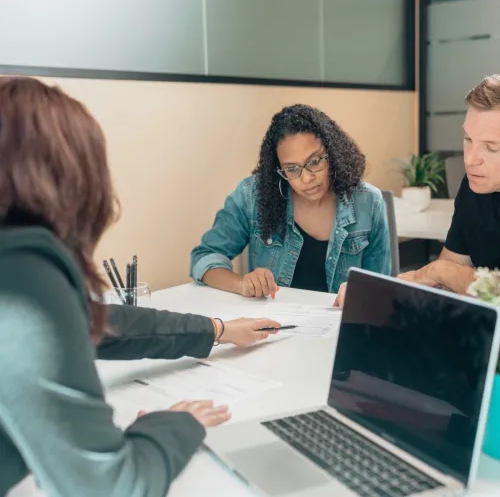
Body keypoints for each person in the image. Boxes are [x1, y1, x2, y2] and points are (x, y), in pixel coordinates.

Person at [0, 77, 280, 497]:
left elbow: (96, 320)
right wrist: (174, 423)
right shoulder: (21, 270)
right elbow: (112, 487)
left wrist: (216, 329)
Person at [190, 104, 391, 298]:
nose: (306, 178)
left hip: (338, 326)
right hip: (273, 328)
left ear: (333, 154)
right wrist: (242, 284)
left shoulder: (368, 202)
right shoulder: (252, 195)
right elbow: (205, 257)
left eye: (314, 162)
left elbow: (381, 285)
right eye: (292, 169)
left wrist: (363, 293)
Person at [335, 74, 500, 308]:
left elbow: (447, 273)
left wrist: (442, 270)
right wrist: (376, 289)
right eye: (468, 139)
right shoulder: (474, 188)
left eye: (491, 147)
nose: (471, 159)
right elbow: (441, 282)